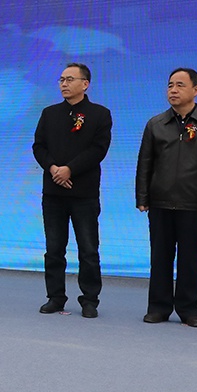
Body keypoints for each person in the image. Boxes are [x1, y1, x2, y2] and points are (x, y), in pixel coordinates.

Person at [135, 68, 197, 327]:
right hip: (160, 202)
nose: (173, 90)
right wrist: (142, 197)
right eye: (170, 85)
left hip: (194, 203)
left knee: (190, 258)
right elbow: (145, 163)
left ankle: (189, 310)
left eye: (180, 85)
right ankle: (158, 307)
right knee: (160, 257)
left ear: (196, 90)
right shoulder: (156, 124)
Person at [31, 62, 114, 318]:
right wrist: (54, 168)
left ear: (85, 84)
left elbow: (98, 149)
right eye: (61, 79)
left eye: (70, 79)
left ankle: (89, 300)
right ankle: (55, 297)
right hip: (53, 193)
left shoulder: (100, 114)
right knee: (54, 249)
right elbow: (39, 146)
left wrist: (70, 170)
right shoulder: (49, 113)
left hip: (84, 193)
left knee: (88, 249)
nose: (64, 84)